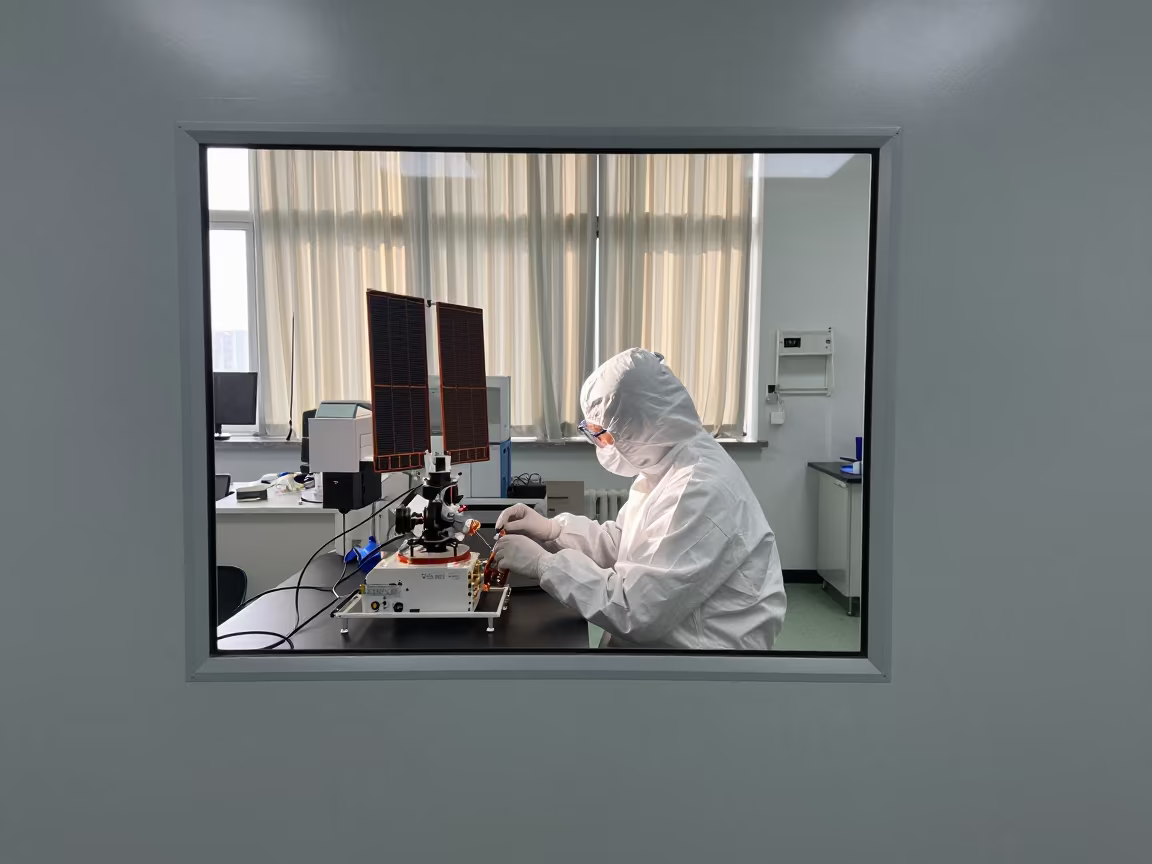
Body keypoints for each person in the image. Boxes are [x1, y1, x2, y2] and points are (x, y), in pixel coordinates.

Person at [492, 348, 786, 650]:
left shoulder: (698, 488)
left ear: (641, 424)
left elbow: (636, 610)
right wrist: (554, 531)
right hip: (667, 644)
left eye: (602, 434)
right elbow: (625, 545)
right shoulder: (665, 465)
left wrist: (545, 564)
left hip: (700, 666)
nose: (600, 445)